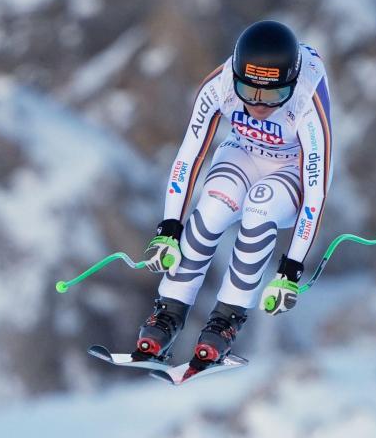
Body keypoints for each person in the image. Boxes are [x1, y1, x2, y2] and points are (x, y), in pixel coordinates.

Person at [134, 20, 332, 368]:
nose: (257, 103)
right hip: (242, 152)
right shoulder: (221, 84)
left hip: (291, 169)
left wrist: (290, 271)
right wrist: (168, 230)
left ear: (291, 84)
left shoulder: (306, 99)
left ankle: (225, 322)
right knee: (211, 209)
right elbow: (189, 155)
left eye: (272, 95)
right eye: (249, 90)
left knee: (259, 209)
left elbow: (315, 194)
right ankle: (167, 314)